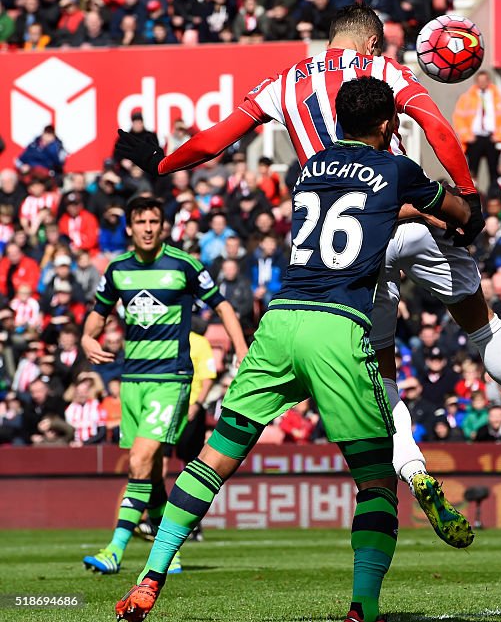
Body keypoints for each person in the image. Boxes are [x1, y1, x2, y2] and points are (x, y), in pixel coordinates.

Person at [115, 5, 501, 550]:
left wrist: (164, 163)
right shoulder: (381, 73)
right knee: (480, 324)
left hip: (349, 248)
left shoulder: (283, 81)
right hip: (410, 213)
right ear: (371, 42)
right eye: (381, 46)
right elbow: (435, 126)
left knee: (381, 364)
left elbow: (217, 140)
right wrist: (469, 196)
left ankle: (412, 470)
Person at [114, 78, 472, 622]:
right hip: (337, 329)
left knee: (213, 457)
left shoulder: (309, 169)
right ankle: (363, 609)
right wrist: (464, 211)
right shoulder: (398, 169)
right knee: (375, 479)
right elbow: (459, 213)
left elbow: (360, 210)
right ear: (385, 125)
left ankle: (150, 576)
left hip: (279, 324)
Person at [82, 196, 248, 578]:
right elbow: (96, 319)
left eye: (154, 221)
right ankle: (168, 552)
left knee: (139, 460)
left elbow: (221, 306)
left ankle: (115, 549)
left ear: (163, 226)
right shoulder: (118, 270)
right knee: (152, 469)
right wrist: (88, 340)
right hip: (132, 379)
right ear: (129, 227)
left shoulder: (184, 265)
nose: (147, 228)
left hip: (169, 378)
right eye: (140, 221)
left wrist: (241, 350)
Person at [452, 70, 501, 182]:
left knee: (494, 171)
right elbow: (459, 118)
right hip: (474, 139)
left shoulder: (499, 97)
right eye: (480, 81)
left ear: (489, 81)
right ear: (476, 82)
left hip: (493, 138)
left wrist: (499, 136)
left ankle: (494, 196)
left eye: (485, 80)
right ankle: (473, 196)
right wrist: (467, 136)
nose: (482, 83)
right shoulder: (467, 98)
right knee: (472, 171)